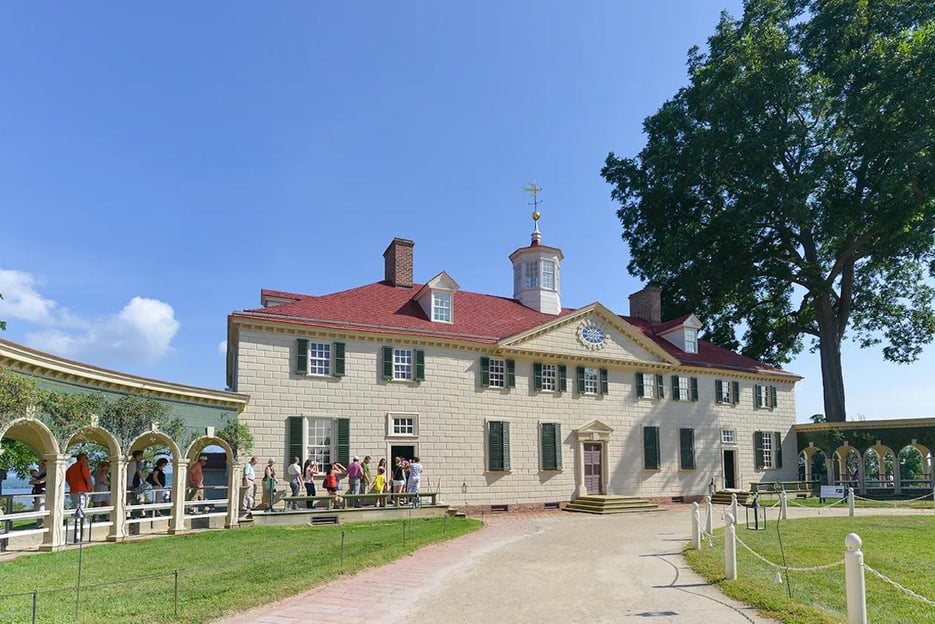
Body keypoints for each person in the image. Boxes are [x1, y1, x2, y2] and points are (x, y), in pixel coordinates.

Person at [65, 452, 93, 523]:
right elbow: (87, 478)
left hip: (73, 490)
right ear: (82, 459)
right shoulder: (83, 466)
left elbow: (66, 477)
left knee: (76, 507)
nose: (87, 459)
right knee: (82, 507)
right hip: (82, 490)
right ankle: (79, 524)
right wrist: (91, 487)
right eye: (86, 458)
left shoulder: (71, 467)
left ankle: (76, 523)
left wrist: (72, 484)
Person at [126, 449, 145, 514]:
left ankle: (128, 513)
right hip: (137, 483)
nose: (142, 457)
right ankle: (142, 512)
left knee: (129, 498)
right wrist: (143, 480)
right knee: (141, 497)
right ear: (138, 456)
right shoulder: (139, 463)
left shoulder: (129, 464)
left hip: (129, 482)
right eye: (141, 455)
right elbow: (139, 472)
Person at [29, 460, 47, 528]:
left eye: (44, 464)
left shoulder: (49, 473)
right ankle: (40, 524)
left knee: (41, 509)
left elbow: (41, 481)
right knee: (38, 509)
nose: (42, 466)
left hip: (43, 493)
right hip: (38, 492)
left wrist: (33, 482)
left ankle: (45, 523)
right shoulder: (43, 473)